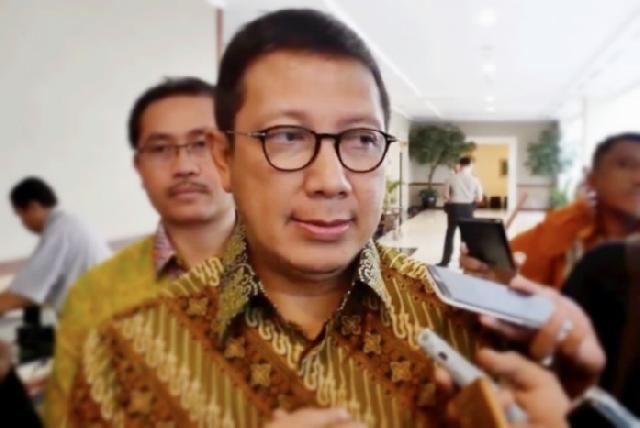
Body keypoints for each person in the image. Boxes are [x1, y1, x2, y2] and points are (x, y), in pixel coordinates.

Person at [66, 10, 601, 427]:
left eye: (361, 139)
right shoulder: (124, 354)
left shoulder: (470, 329)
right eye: (287, 136)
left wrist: (574, 398)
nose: (331, 179)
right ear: (223, 157)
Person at [43, 77, 236, 427]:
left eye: (201, 144)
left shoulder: (302, 274)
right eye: (161, 149)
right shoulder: (93, 296)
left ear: (233, 154)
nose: (184, 166)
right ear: (139, 167)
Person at [509, 132, 640, 288]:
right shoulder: (568, 234)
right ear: (592, 178)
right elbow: (505, 270)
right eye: (625, 165)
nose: (638, 178)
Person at [0, 177, 111, 316]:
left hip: (94, 315)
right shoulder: (70, 223)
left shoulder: (59, 232)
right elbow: (34, 287)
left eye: (21, 215)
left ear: (33, 206)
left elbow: (25, 292)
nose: (23, 223)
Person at [438, 156, 483, 267]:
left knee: (450, 234)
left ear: (460, 165)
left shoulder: (451, 178)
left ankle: (445, 261)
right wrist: (470, 201)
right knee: (466, 237)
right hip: (468, 209)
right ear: (470, 165)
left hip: (454, 208)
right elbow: (479, 198)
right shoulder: (475, 180)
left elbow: (446, 196)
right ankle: (464, 263)